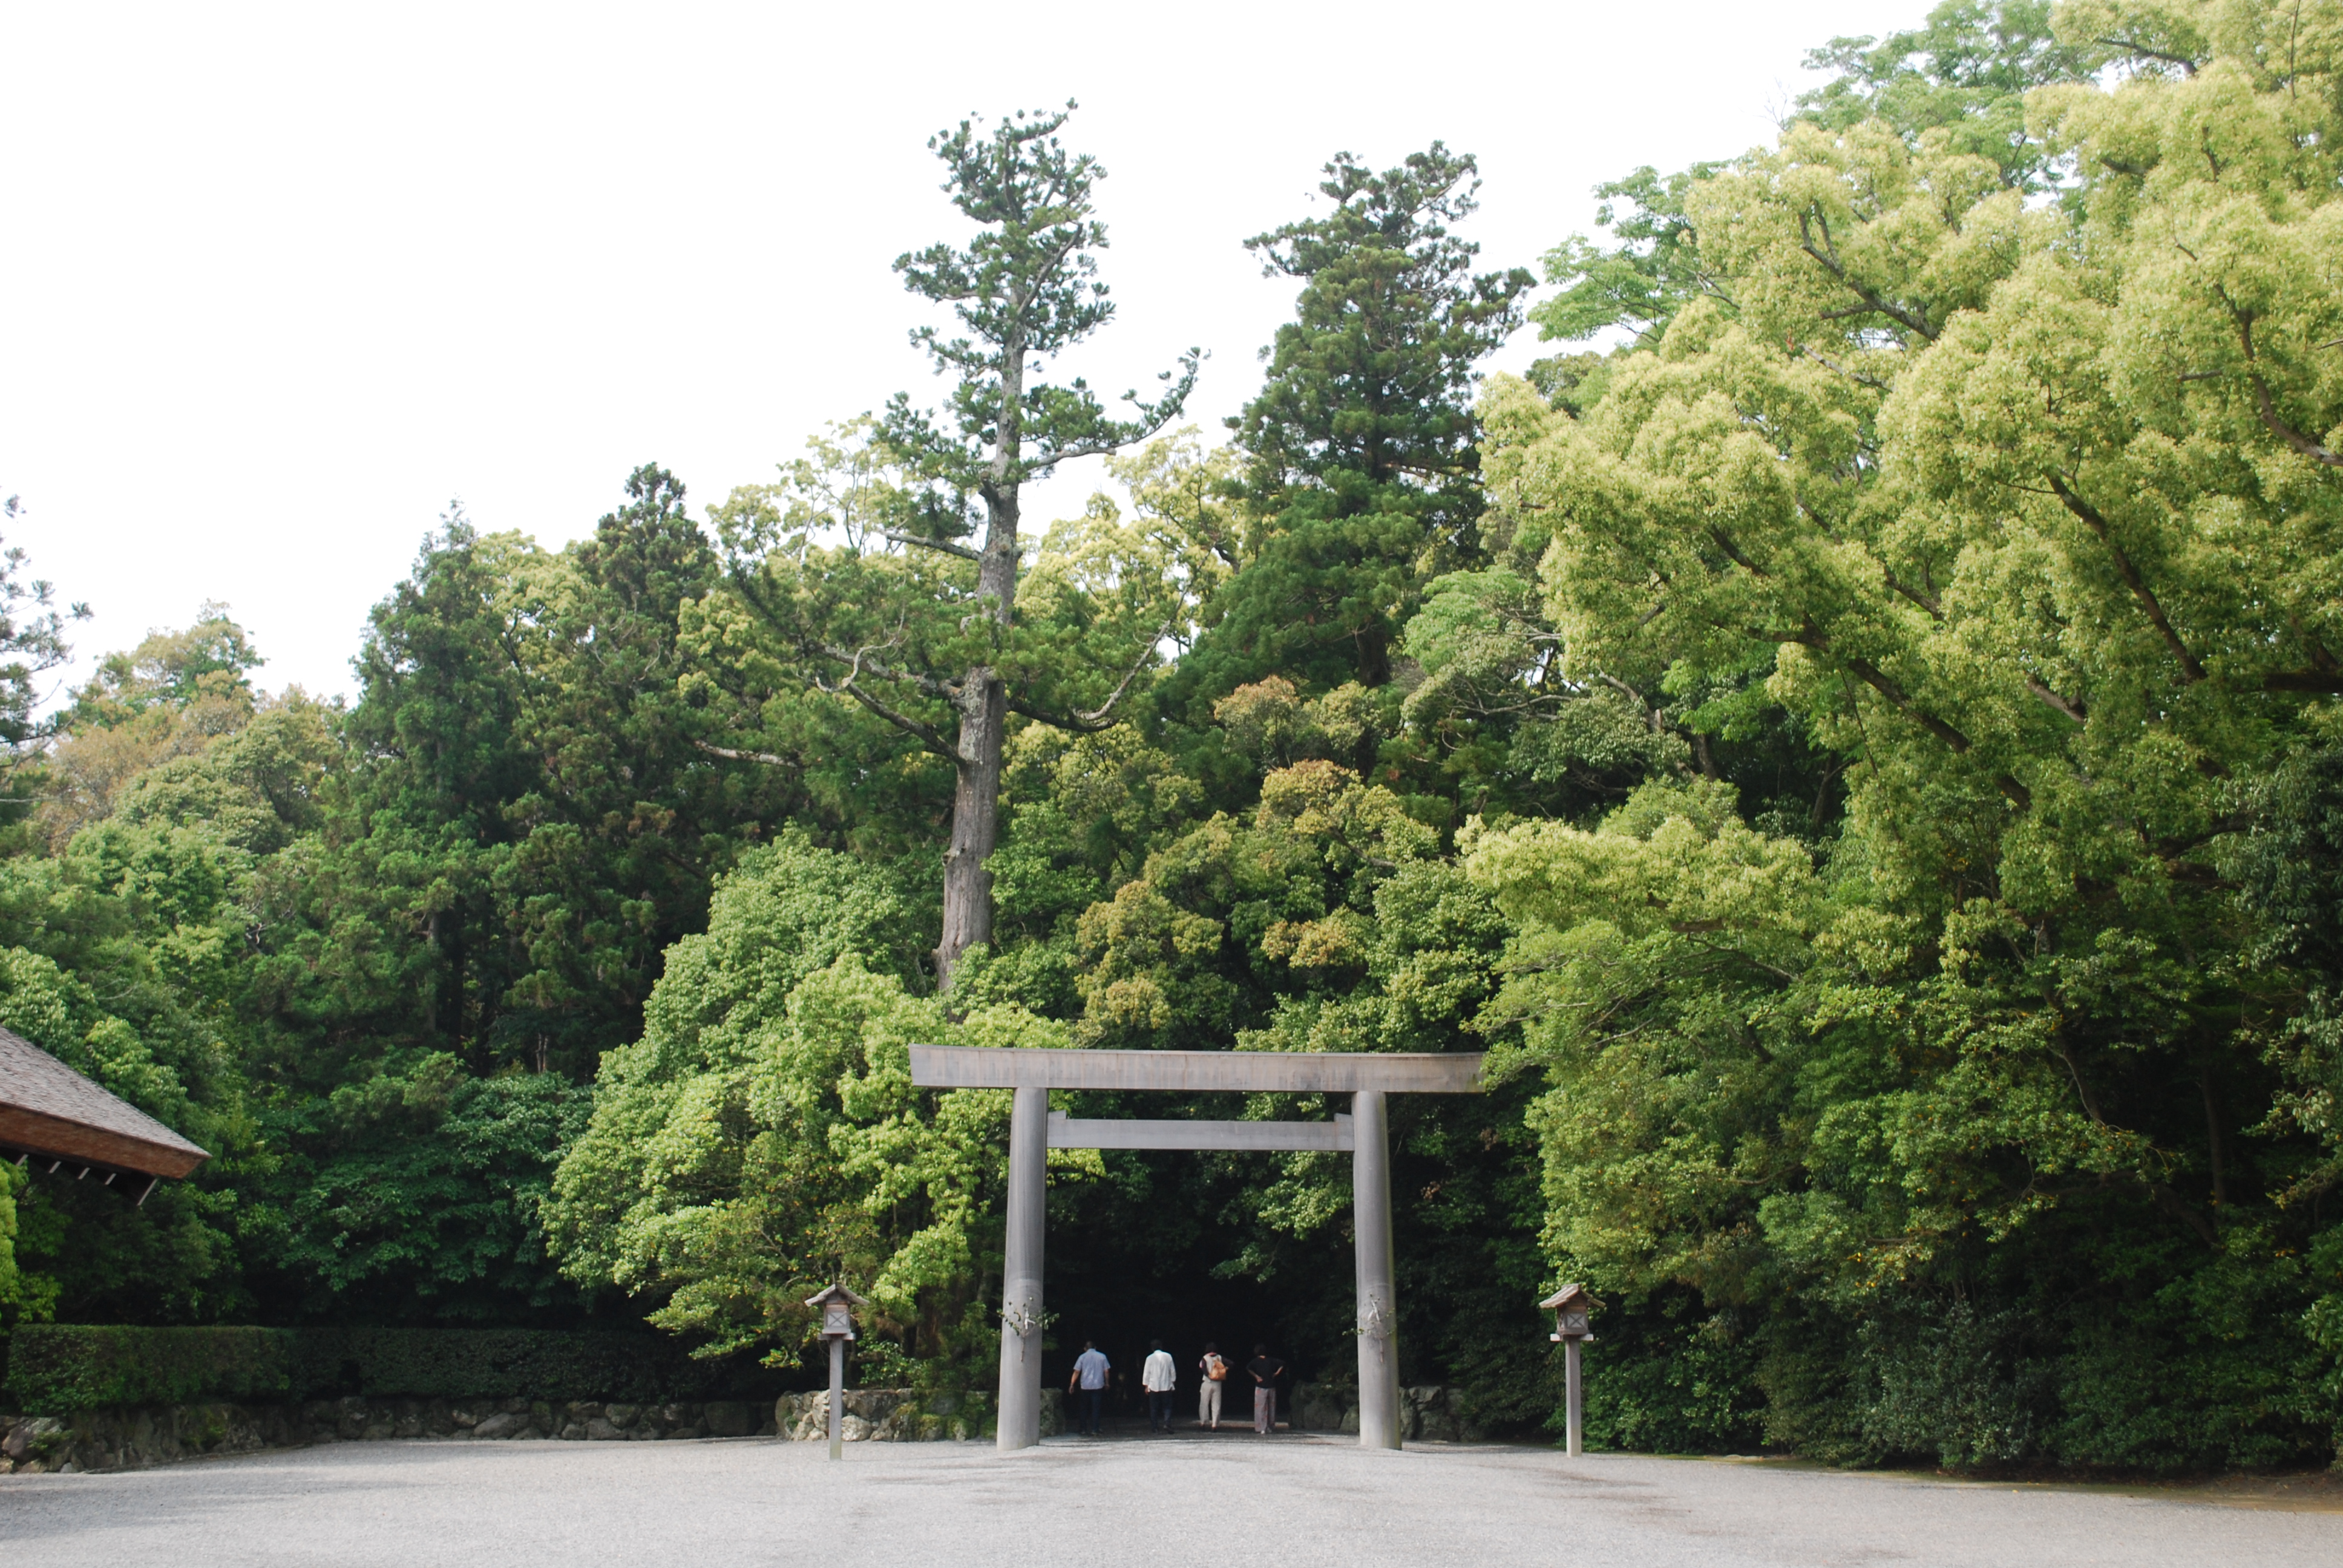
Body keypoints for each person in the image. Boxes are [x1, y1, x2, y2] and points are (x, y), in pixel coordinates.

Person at [1069, 1341, 1110, 1436]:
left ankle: (1083, 1429)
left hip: (1085, 1386)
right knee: (1096, 1408)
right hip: (1098, 1385)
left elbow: (1077, 1371)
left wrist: (1072, 1384)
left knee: (1083, 1408)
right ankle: (1095, 1429)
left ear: (1085, 1349)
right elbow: (1106, 1371)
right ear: (1095, 1348)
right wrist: (1107, 1383)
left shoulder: (1082, 1357)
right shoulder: (1102, 1357)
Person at [1247, 1344, 1287, 1435]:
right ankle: (1270, 1426)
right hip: (1271, 1386)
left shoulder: (1255, 1361)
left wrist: (1256, 1376)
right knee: (1271, 1408)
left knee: (1260, 1408)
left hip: (1260, 1386)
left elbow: (1249, 1368)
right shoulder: (1272, 1360)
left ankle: (1261, 1427)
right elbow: (1282, 1364)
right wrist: (1276, 1373)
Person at [1141, 1339, 1177, 1434]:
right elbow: (1172, 1371)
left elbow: (1147, 1373)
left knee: (1154, 1408)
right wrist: (1173, 1381)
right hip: (1166, 1385)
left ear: (1152, 1348)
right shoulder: (1168, 1356)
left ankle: (1155, 1427)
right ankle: (1167, 1424)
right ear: (1161, 1346)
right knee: (1167, 1407)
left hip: (1154, 1386)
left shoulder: (1150, 1358)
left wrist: (1146, 1385)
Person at [1197, 1342, 1228, 1430]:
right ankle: (1215, 1424)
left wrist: (1209, 1375)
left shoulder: (1205, 1358)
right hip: (1218, 1383)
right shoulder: (1220, 1357)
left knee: (1204, 1403)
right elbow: (1231, 1363)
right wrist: (1224, 1370)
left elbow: (1203, 1368)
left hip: (1207, 1382)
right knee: (1216, 1404)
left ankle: (1203, 1422)